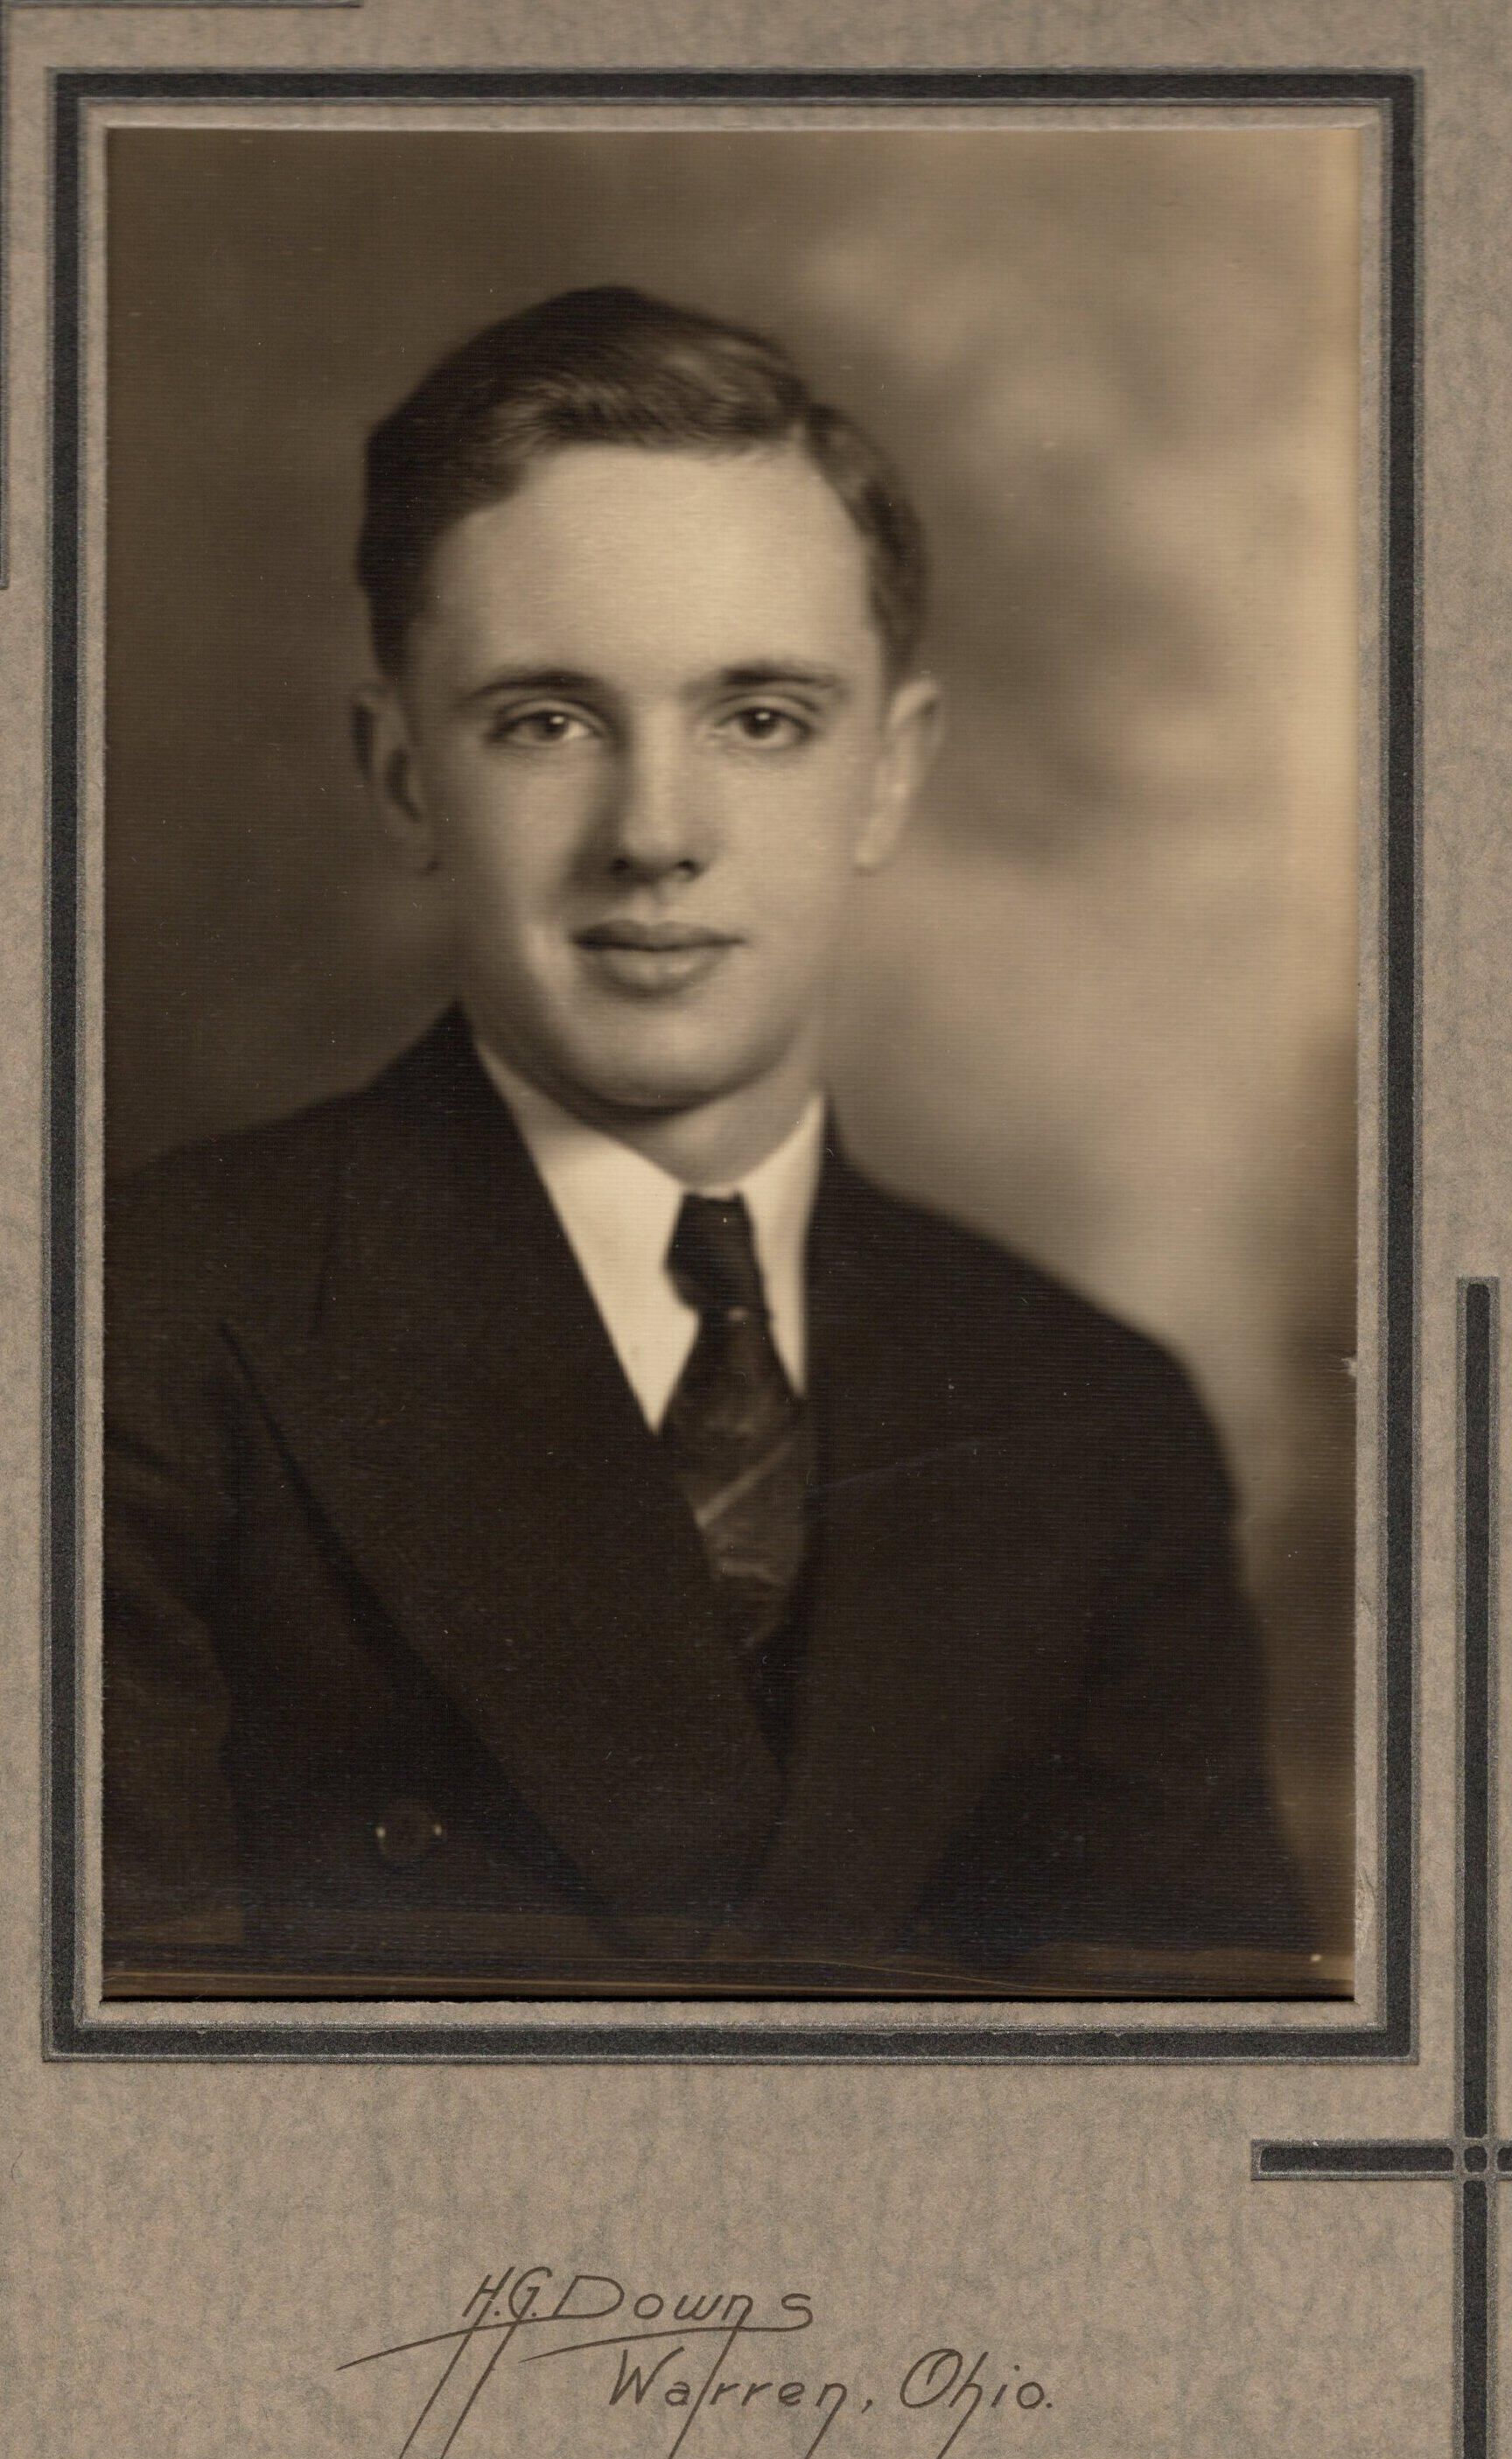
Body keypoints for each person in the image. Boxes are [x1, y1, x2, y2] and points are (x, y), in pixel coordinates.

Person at [103, 284, 1312, 1995]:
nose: (655, 834)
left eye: (761, 720)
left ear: (889, 773)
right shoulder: (128, 1335)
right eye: (546, 721)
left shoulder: (1095, 1425)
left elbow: (1194, 2124)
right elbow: (109, 2122)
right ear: (402, 776)